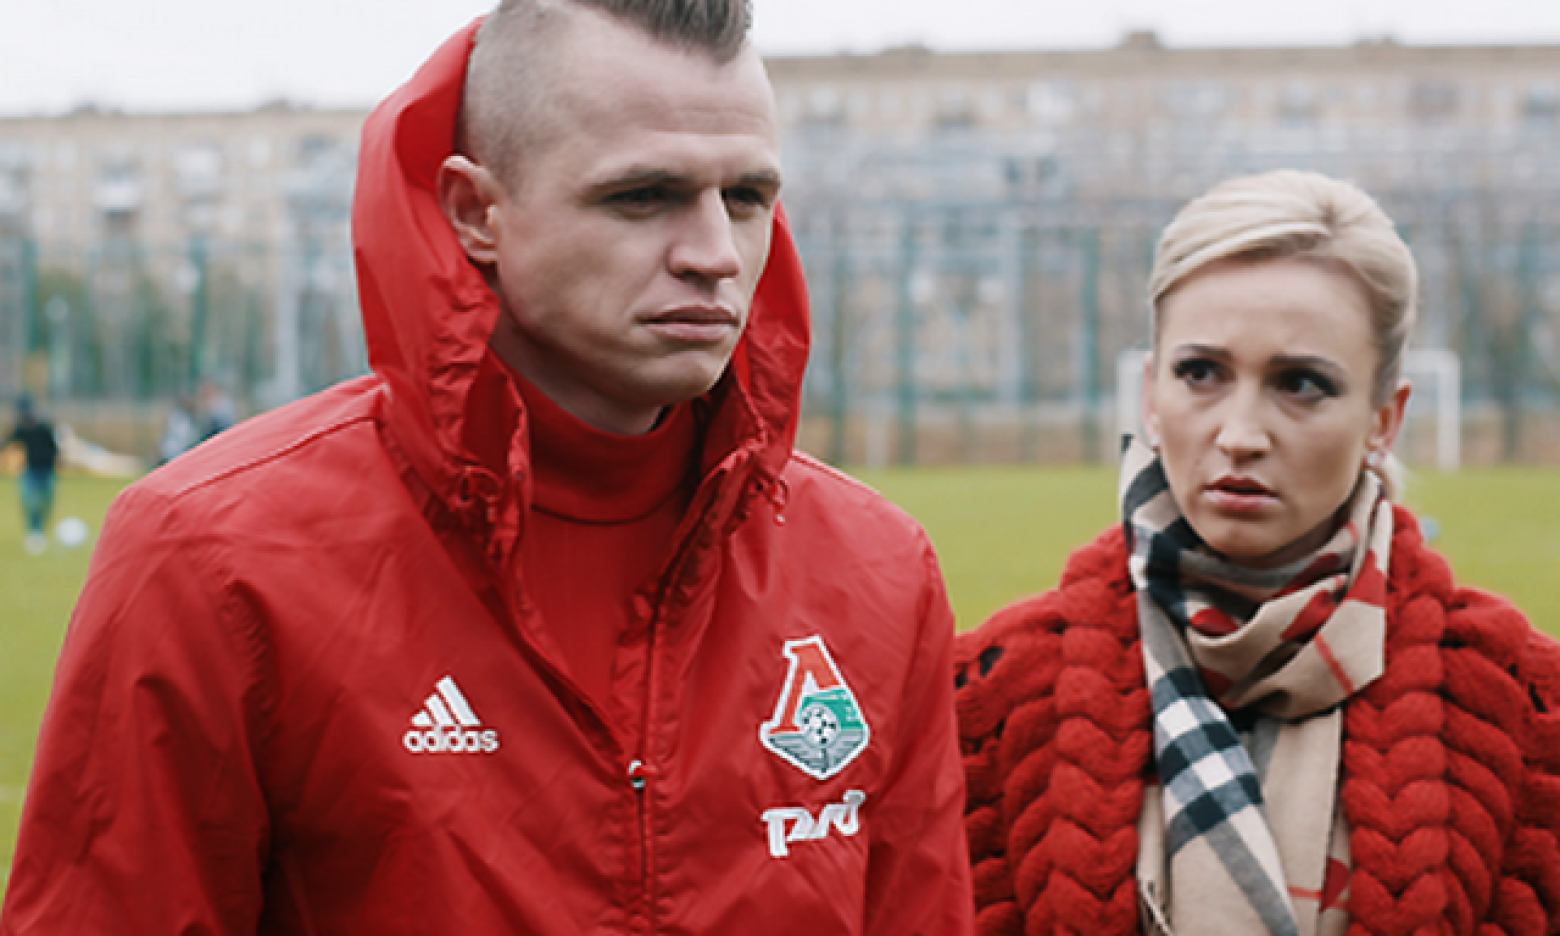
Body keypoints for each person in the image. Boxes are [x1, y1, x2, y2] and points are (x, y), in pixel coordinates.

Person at [1, 3, 972, 934]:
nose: (715, 253)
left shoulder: (878, 572)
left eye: (747, 198)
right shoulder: (215, 558)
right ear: (475, 213)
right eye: (642, 196)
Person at [955, 171, 1560, 936]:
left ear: (1384, 419)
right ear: (1150, 394)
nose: (1240, 434)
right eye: (1201, 373)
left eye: (1301, 383)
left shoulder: (1529, 713)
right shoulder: (984, 702)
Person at [5, 395, 60, 556]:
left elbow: (54, 448)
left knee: (46, 502)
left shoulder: (44, 428)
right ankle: (34, 532)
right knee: (30, 502)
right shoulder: (21, 430)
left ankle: (41, 529)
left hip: (47, 471)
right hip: (30, 471)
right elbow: (8, 443)